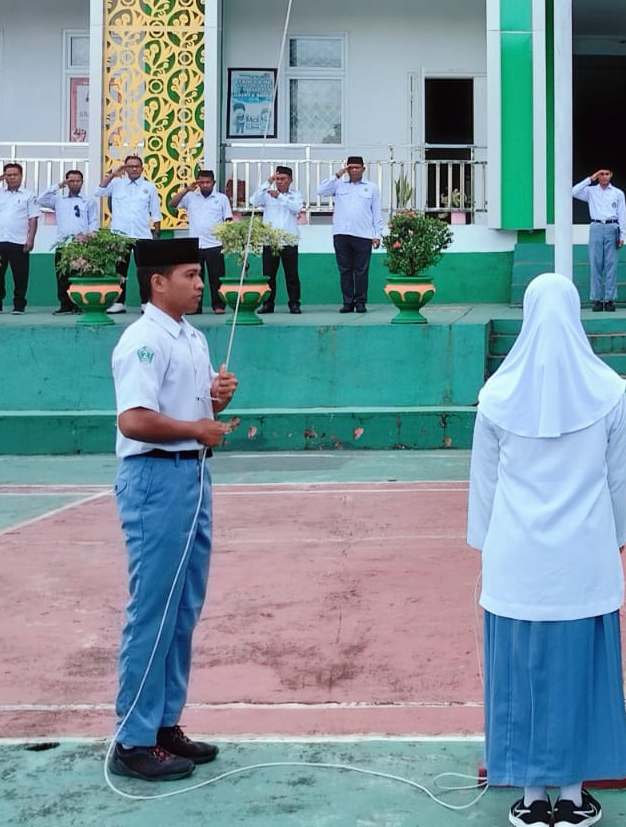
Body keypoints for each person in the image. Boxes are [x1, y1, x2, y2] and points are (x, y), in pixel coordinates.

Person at [468, 273, 626, 827]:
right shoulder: (608, 393)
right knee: (577, 677)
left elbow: (484, 486)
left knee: (521, 679)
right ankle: (573, 795)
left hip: (516, 560)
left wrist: (485, 546)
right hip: (583, 558)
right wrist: (616, 540)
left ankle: (532, 796)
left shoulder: (496, 398)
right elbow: (618, 480)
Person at [107, 236, 239, 783]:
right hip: (156, 478)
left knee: (183, 608)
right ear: (157, 282)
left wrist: (218, 397)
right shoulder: (143, 341)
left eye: (199, 274)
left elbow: (198, 408)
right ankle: (132, 739)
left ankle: (164, 724)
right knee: (154, 609)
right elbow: (134, 419)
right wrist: (196, 428)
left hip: (193, 475)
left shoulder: (192, 338)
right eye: (189, 275)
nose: (200, 283)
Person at [96, 156, 163, 314]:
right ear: (125, 168)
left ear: (142, 168)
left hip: (143, 235)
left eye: (137, 166)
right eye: (130, 166)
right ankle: (119, 303)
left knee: (144, 271)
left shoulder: (149, 187)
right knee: (120, 270)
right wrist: (113, 174)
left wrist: (156, 232)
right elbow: (98, 191)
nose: (134, 169)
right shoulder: (116, 184)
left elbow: (155, 211)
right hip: (120, 235)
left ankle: (146, 303)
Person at [317, 156, 382, 314]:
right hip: (341, 233)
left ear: (363, 169)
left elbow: (376, 212)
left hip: (363, 234)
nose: (354, 170)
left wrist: (377, 234)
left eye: (357, 167)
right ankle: (347, 302)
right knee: (344, 269)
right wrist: (337, 175)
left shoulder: (371, 188)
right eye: (350, 167)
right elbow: (320, 191)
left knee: (361, 270)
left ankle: (360, 302)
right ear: (346, 168)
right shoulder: (338, 185)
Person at [0, 163, 41, 315]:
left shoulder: (29, 195)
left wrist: (31, 239)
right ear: (4, 177)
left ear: (21, 176)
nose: (12, 177)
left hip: (19, 241)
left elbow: (33, 218)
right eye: (8, 175)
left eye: (15, 174)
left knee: (20, 275)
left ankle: (19, 305)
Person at [168, 170, 234, 314]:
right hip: (195, 244)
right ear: (197, 182)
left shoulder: (221, 198)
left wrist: (226, 240)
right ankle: (195, 307)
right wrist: (187, 189)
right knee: (194, 279)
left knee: (216, 278)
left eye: (208, 182)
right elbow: (171, 204)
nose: (205, 185)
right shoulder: (190, 197)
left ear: (213, 183)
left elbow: (228, 220)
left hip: (215, 244)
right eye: (201, 182)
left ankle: (218, 306)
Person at [38, 169, 100, 314]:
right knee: (62, 277)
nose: (75, 183)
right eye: (71, 181)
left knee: (80, 276)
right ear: (67, 182)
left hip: (81, 245)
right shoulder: (58, 200)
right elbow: (40, 199)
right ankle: (65, 305)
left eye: (78, 181)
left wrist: (90, 236)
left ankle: (79, 305)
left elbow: (93, 221)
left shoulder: (88, 201)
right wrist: (58, 185)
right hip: (63, 244)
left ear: (82, 182)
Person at [572, 169, 626, 312]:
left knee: (611, 264)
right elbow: (574, 191)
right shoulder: (591, 191)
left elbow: (622, 214)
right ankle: (596, 299)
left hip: (612, 226)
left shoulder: (617, 193)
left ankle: (609, 299)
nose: (604, 176)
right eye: (601, 174)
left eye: (607, 173)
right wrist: (590, 178)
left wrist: (622, 235)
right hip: (596, 226)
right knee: (595, 263)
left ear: (611, 175)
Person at [251, 166, 304, 314]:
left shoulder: (295, 195)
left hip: (289, 241)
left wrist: (279, 197)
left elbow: (297, 208)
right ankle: (268, 304)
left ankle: (294, 303)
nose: (279, 182)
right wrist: (267, 182)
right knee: (269, 275)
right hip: (270, 241)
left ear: (290, 180)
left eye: (283, 179)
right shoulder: (267, 194)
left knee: (292, 275)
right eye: (277, 179)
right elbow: (253, 201)